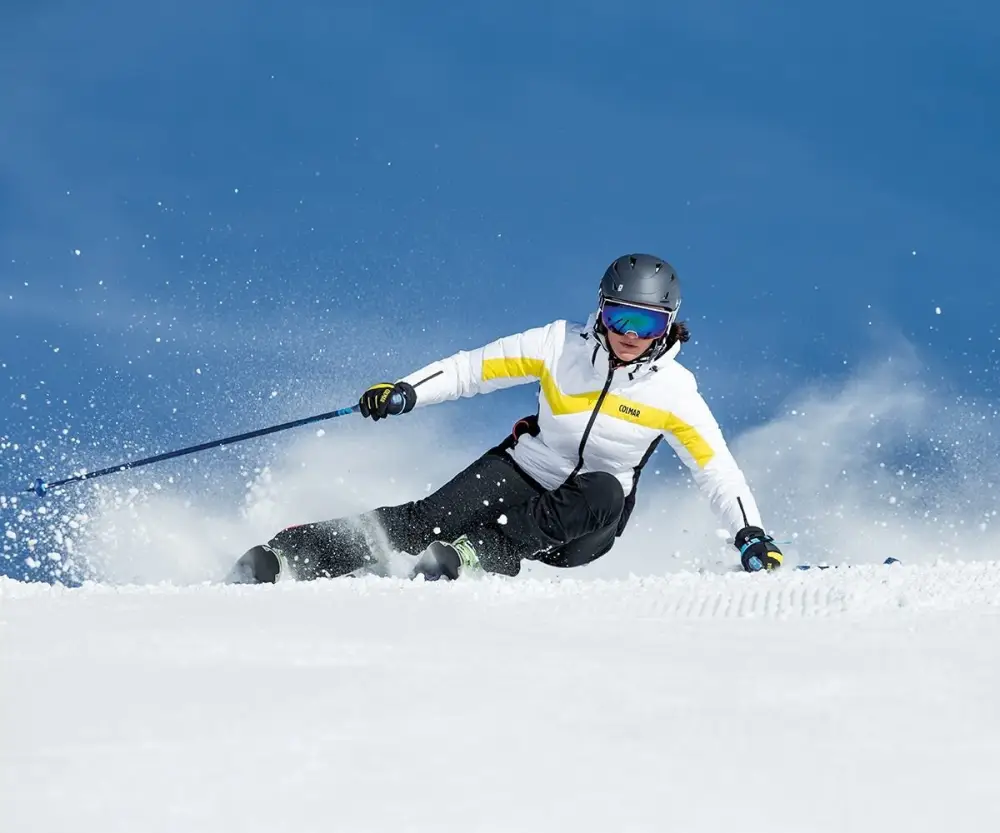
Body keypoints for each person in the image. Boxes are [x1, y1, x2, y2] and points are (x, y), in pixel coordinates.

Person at [228, 253, 783, 584]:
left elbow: (717, 471)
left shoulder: (675, 391)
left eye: (647, 323)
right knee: (427, 519)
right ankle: (291, 555)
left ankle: (481, 554)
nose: (629, 336)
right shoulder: (558, 345)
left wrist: (750, 534)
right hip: (525, 471)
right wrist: (406, 391)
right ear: (601, 310)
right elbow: (472, 369)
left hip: (583, 524)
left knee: (605, 489)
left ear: (668, 325)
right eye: (620, 317)